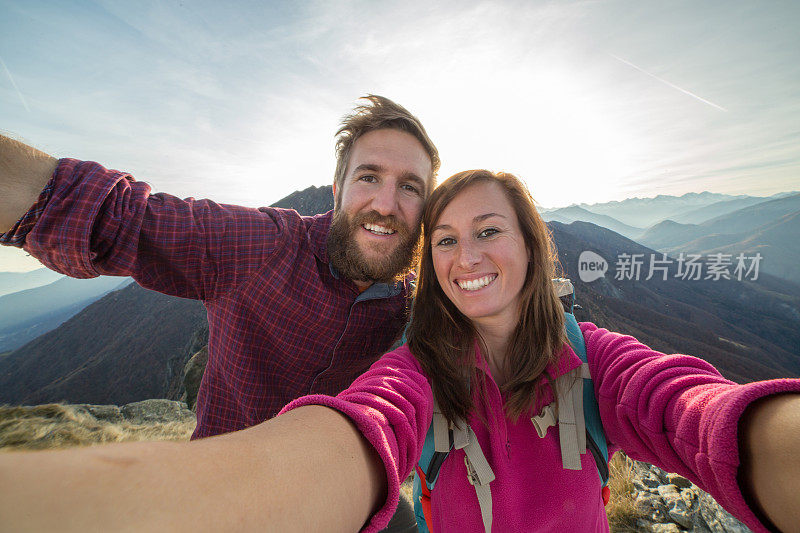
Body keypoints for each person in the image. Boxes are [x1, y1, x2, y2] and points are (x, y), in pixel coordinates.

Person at [1, 170, 799, 533]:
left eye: (491, 229)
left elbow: (690, 408)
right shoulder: (415, 372)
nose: (468, 253)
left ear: (532, 244)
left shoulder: (599, 362)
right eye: (446, 239)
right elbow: (365, 432)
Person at [0, 95, 438, 532]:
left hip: (342, 492)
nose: (385, 203)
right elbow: (120, 217)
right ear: (339, 189)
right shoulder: (264, 245)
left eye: (409, 187)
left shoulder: (412, 297)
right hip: (222, 495)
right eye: (369, 177)